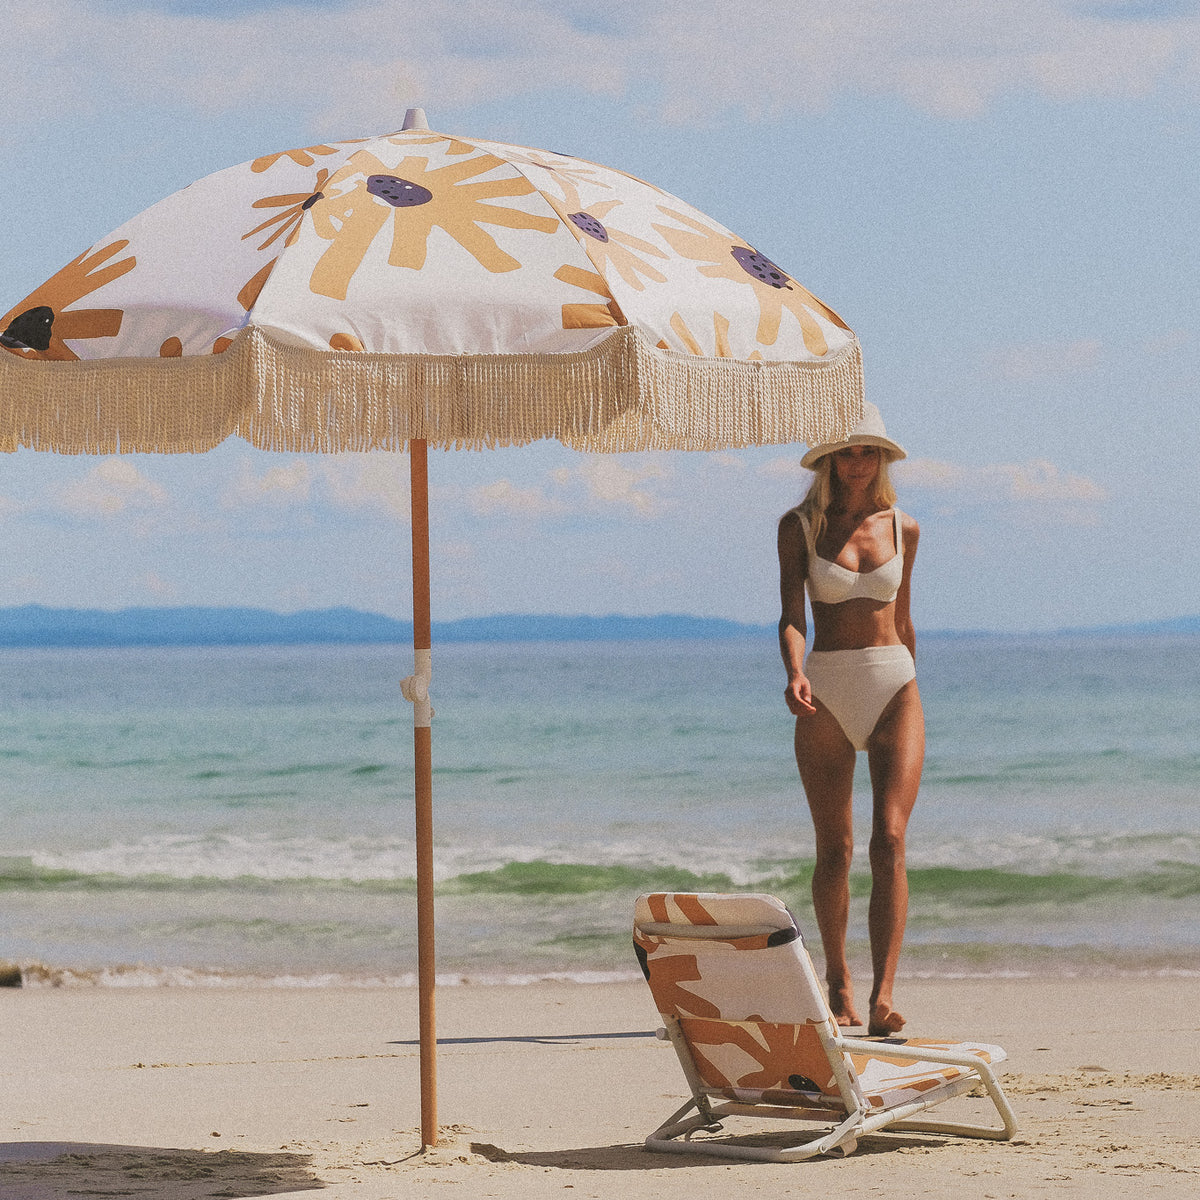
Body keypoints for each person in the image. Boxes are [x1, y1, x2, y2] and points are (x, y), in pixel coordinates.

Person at [777, 402, 924, 1037]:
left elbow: (905, 616)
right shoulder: (801, 525)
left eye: (869, 451)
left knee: (889, 838)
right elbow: (791, 613)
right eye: (847, 450)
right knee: (834, 847)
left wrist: (911, 680)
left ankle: (884, 992)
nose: (858, 461)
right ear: (829, 460)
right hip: (826, 688)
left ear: (883, 458)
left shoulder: (904, 528)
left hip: (895, 683)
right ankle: (838, 982)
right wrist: (794, 670)